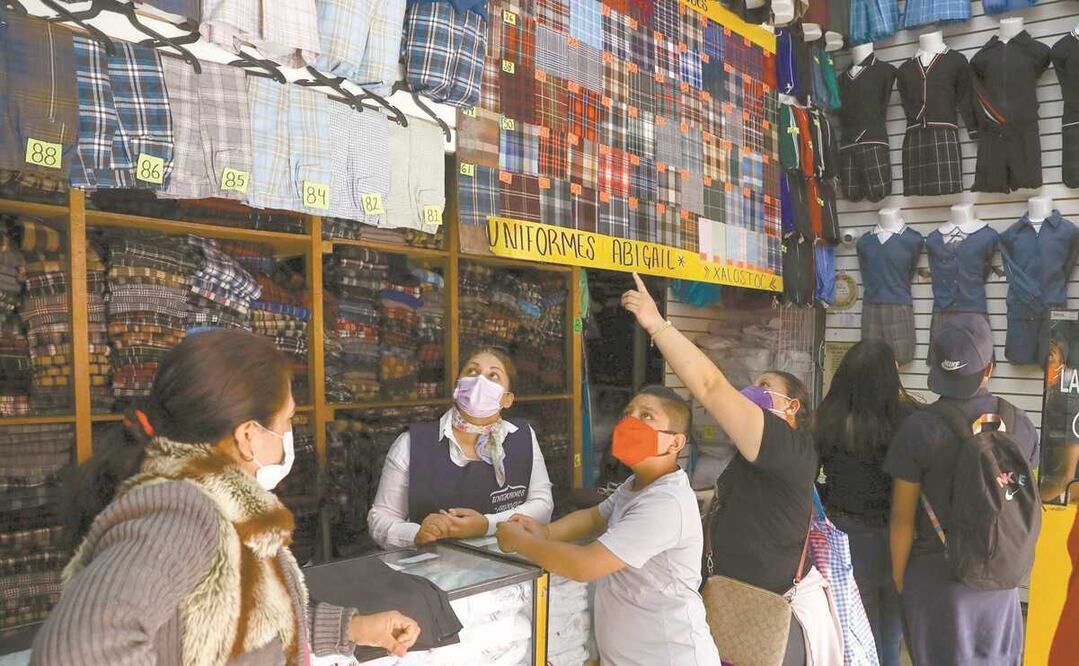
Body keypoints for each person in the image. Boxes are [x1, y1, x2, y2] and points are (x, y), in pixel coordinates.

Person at [32, 330, 420, 665]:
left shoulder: (223, 509)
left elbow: (234, 617)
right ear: (248, 436)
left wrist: (352, 628)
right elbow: (77, 651)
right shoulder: (183, 512)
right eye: (287, 421)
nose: (289, 435)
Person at [620, 274, 827, 666]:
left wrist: (657, 323)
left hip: (764, 620)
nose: (751, 391)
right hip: (730, 605)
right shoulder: (756, 455)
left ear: (792, 407)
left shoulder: (789, 448)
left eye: (764, 385)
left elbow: (712, 387)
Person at [496, 386, 722, 666]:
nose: (630, 421)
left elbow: (585, 565)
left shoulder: (666, 503)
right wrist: (546, 531)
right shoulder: (636, 484)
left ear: (675, 444)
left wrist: (523, 542)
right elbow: (594, 517)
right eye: (628, 413)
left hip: (669, 656)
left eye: (646, 416)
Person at [885, 314, 1039, 666]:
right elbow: (1016, 501)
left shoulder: (919, 429)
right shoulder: (1020, 424)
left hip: (938, 577)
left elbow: (902, 518)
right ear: (989, 369)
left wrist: (900, 579)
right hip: (1001, 576)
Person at [368, 349, 553, 548]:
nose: (480, 380)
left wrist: (487, 524)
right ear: (458, 387)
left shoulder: (523, 437)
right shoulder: (411, 443)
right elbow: (380, 517)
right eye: (472, 372)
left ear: (507, 399)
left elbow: (543, 505)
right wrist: (416, 534)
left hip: (510, 569)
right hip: (433, 572)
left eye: (493, 375)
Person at [816, 339, 918, 666]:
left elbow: (808, 475)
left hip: (844, 534)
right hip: (899, 535)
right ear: (892, 374)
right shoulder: (910, 418)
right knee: (890, 632)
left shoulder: (828, 417)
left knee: (853, 632)